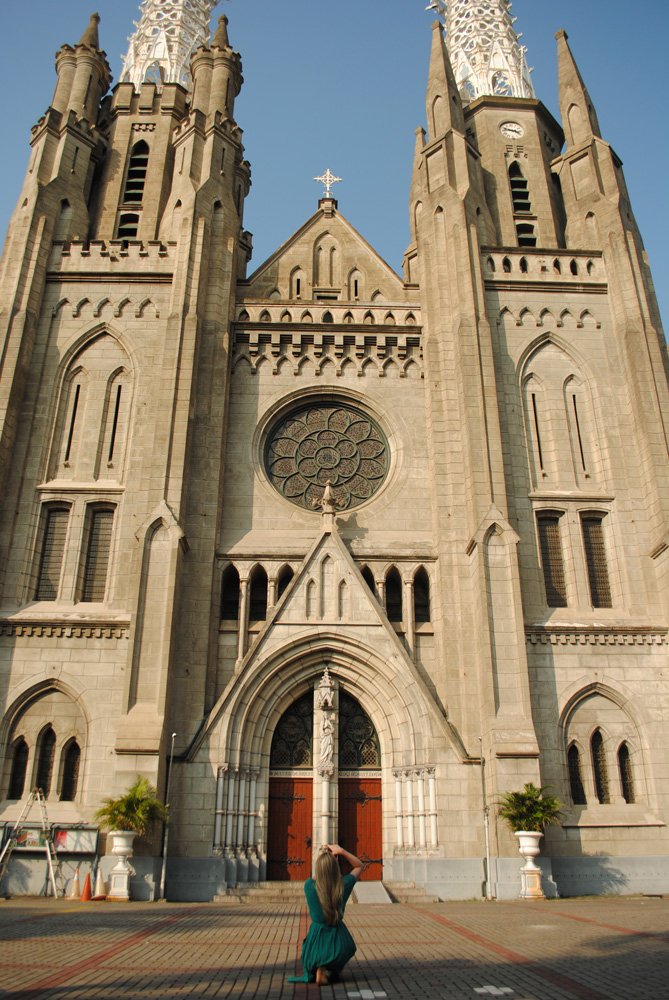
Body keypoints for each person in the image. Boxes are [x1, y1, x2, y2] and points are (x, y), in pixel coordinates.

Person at [288, 843, 363, 985]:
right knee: (343, 948)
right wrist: (342, 851)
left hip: (315, 946)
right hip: (339, 946)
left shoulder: (309, 886)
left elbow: (317, 878)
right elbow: (360, 866)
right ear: (335, 869)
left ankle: (319, 968)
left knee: (313, 949)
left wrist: (322, 858)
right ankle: (334, 970)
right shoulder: (343, 885)